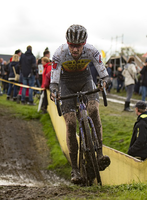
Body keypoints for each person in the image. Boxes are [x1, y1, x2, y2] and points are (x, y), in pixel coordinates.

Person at [49, 24, 111, 184]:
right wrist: (54, 89)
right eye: (72, 45)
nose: (75, 49)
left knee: (93, 110)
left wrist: (105, 80)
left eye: (78, 46)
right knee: (70, 123)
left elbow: (102, 70)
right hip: (66, 83)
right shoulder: (59, 53)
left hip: (85, 79)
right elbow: (54, 78)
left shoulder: (92, 51)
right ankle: (75, 169)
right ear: (67, 43)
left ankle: (99, 154)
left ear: (84, 43)